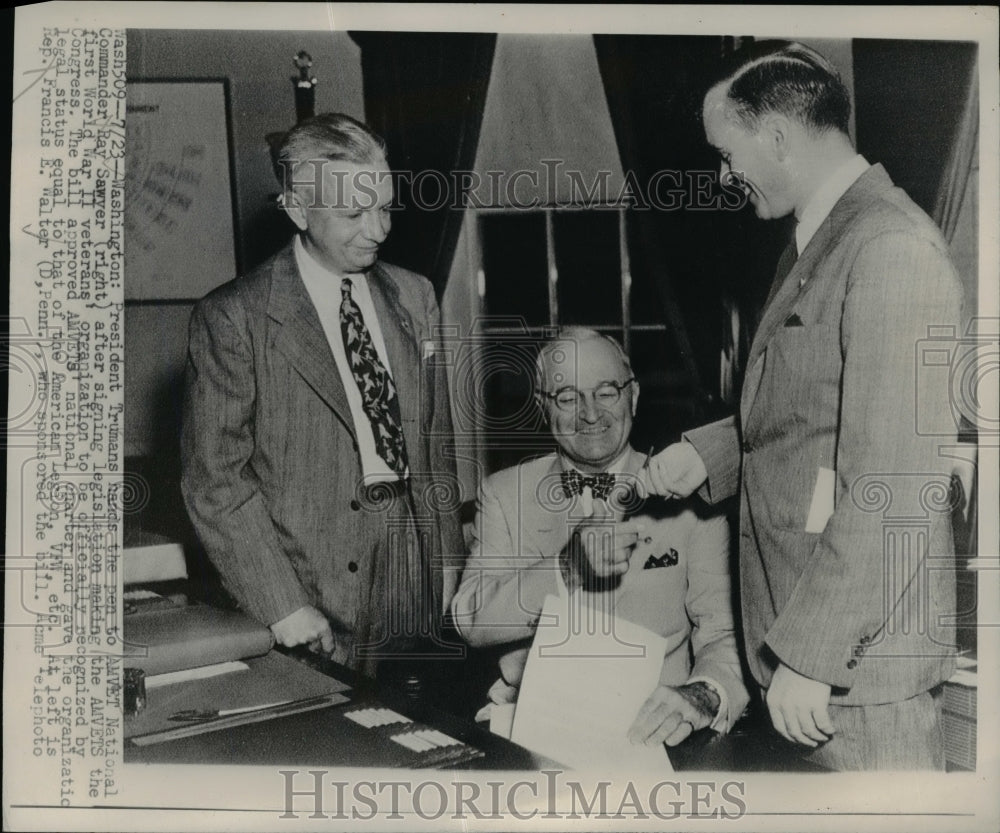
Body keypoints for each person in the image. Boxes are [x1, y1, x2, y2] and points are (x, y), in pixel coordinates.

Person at [644, 42, 963, 769]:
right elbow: (822, 401)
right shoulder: (821, 238)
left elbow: (896, 481)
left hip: (855, 672)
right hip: (811, 661)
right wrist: (710, 451)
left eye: (728, 154)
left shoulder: (889, 245)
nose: (726, 177)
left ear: (778, 137)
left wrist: (814, 657)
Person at [181, 113, 465, 679]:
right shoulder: (235, 317)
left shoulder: (416, 296)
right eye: (353, 214)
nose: (378, 229)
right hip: (307, 591)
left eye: (385, 205)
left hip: (415, 582)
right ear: (296, 210)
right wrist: (282, 603)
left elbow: (436, 440)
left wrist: (448, 558)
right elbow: (216, 480)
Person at [452, 328, 749, 747]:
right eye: (568, 398)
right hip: (534, 728)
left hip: (656, 733)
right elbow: (471, 619)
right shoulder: (506, 494)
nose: (591, 414)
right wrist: (566, 568)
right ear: (542, 407)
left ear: (634, 395)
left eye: (607, 392)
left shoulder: (691, 494)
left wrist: (702, 693)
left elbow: (723, 634)